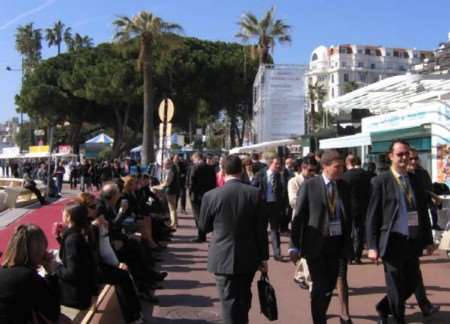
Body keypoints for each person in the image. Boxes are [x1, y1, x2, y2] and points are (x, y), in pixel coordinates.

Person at [366, 140, 434, 324]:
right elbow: (372, 216)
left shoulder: (415, 180)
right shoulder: (380, 181)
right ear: (390, 157)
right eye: (400, 154)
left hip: (412, 240)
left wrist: (428, 240)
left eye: (406, 154)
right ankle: (398, 318)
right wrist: (372, 246)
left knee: (411, 283)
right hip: (392, 240)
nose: (404, 158)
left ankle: (383, 307)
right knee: (395, 284)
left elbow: (422, 213)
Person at [199, 155, 269, 324]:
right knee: (244, 298)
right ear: (242, 170)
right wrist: (263, 257)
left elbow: (203, 226)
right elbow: (261, 229)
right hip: (248, 254)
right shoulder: (254, 193)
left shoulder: (211, 196)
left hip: (222, 255)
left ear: (223, 171)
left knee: (228, 301)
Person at [290, 150, 354, 324]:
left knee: (329, 287)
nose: (341, 170)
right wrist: (294, 245)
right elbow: (299, 218)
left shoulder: (344, 186)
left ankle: (323, 313)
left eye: (342, 166)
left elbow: (349, 215)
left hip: (338, 245)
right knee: (319, 288)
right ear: (325, 167)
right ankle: (319, 320)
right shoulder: (310, 186)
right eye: (337, 167)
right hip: (316, 246)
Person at [0, 224, 67, 324]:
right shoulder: (27, 277)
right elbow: (53, 313)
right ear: (38, 251)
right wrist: (51, 272)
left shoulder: (4, 271)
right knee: (64, 320)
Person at [56, 203, 98, 310]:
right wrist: (60, 239)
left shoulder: (73, 239)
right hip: (85, 289)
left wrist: (55, 267)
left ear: (69, 217)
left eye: (64, 213)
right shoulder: (82, 233)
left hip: (75, 296)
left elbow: (72, 273)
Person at [287, 157, 317, 289]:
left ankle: (305, 278)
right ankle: (301, 276)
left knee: (308, 250)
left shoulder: (316, 181)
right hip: (299, 220)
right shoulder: (294, 182)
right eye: (310, 170)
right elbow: (293, 201)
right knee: (295, 252)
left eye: (315, 170)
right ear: (303, 168)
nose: (312, 173)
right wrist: (309, 201)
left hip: (314, 221)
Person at [253, 156, 285, 261]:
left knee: (275, 230)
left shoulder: (280, 176)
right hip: (263, 206)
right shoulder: (260, 174)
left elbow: (282, 192)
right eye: (276, 164)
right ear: (270, 164)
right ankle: (262, 253)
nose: (278, 166)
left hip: (274, 206)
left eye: (279, 164)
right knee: (262, 230)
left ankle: (277, 253)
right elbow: (253, 188)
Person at [342, 154, 372, 264]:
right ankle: (358, 255)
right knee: (360, 231)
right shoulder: (366, 175)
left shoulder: (344, 176)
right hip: (363, 206)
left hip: (348, 207)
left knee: (348, 231)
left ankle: (349, 256)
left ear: (347, 163)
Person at [189, 152, 216, 243]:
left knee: (198, 216)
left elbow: (191, 183)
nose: (193, 161)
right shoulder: (211, 168)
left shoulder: (195, 168)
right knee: (209, 215)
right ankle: (211, 234)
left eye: (193, 159)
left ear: (197, 158)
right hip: (209, 195)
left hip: (197, 196)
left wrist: (190, 192)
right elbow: (214, 182)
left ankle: (201, 235)